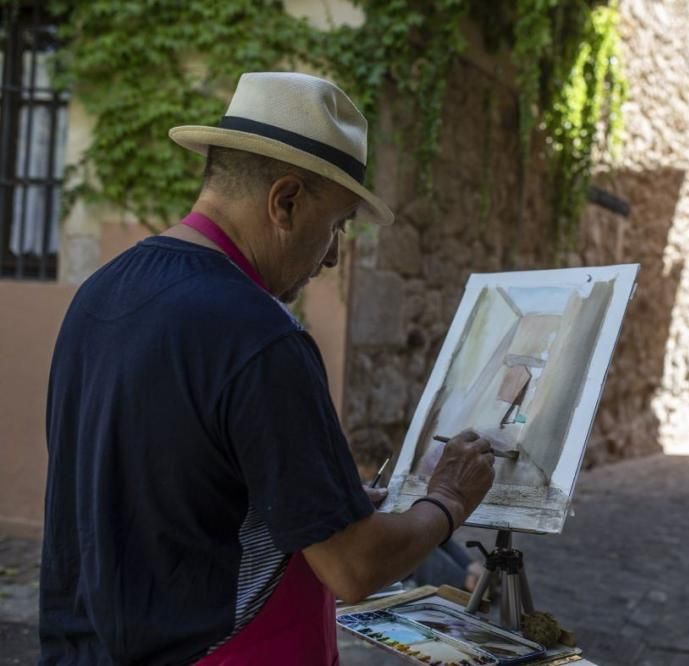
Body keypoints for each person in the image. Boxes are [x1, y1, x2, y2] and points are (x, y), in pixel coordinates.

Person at [39, 72, 496, 665]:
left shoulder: (99, 292)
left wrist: (309, 493)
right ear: (285, 202)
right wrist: (448, 499)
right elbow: (353, 567)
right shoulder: (260, 335)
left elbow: (169, 484)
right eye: (336, 227)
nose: (333, 256)